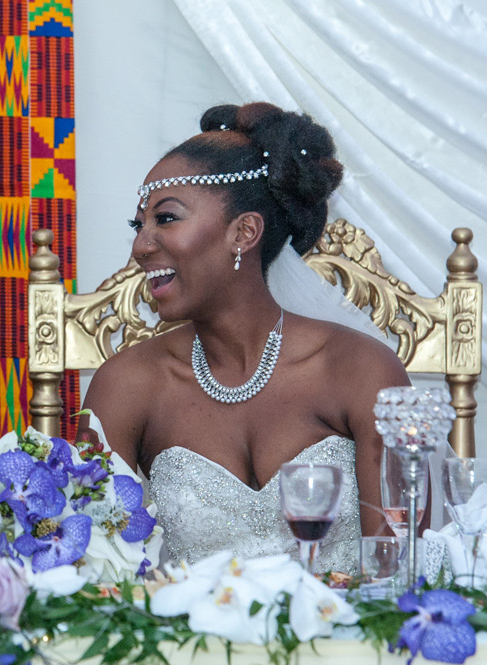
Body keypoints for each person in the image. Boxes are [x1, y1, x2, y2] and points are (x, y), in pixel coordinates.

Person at [79, 103, 410, 574]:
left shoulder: (360, 370)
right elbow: (90, 567)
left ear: (245, 231)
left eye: (165, 218)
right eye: (139, 225)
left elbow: (399, 569)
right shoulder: (126, 384)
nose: (140, 246)